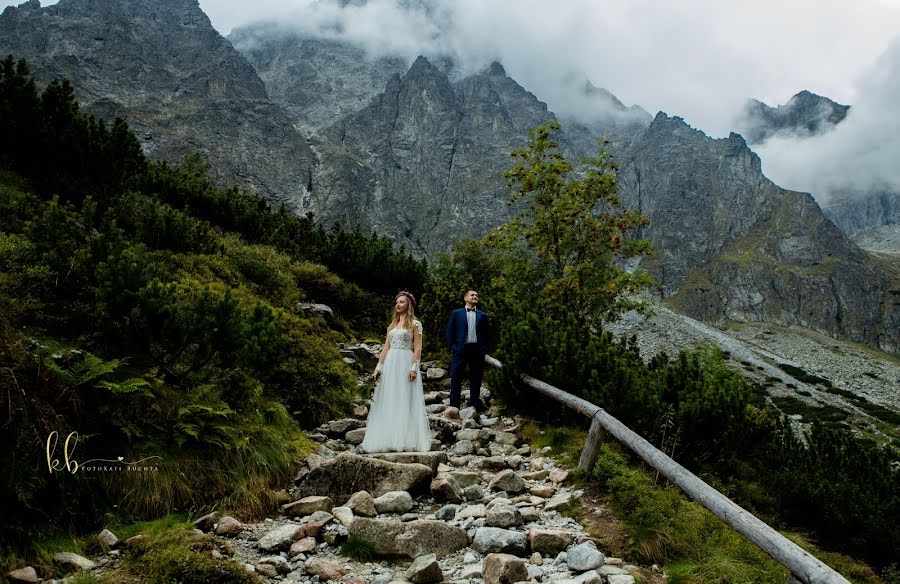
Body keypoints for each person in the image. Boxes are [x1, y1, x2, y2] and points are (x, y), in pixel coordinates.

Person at [360, 291, 432, 453]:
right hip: (390, 363)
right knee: (389, 397)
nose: (398, 304)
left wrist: (414, 367)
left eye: (401, 302)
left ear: (409, 305)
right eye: (397, 302)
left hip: (406, 361)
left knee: (404, 397)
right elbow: (386, 347)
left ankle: (405, 439)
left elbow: (418, 347)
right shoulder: (391, 326)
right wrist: (378, 368)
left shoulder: (415, 324)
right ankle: (388, 438)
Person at [444, 289, 492, 411]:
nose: (475, 296)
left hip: (477, 350)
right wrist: (452, 347)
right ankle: (454, 406)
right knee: (456, 377)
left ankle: (473, 405)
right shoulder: (456, 313)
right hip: (460, 350)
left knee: (476, 378)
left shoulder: (483, 315)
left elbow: (487, 334)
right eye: (472, 295)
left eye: (476, 295)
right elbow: (450, 331)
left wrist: (484, 349)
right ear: (465, 298)